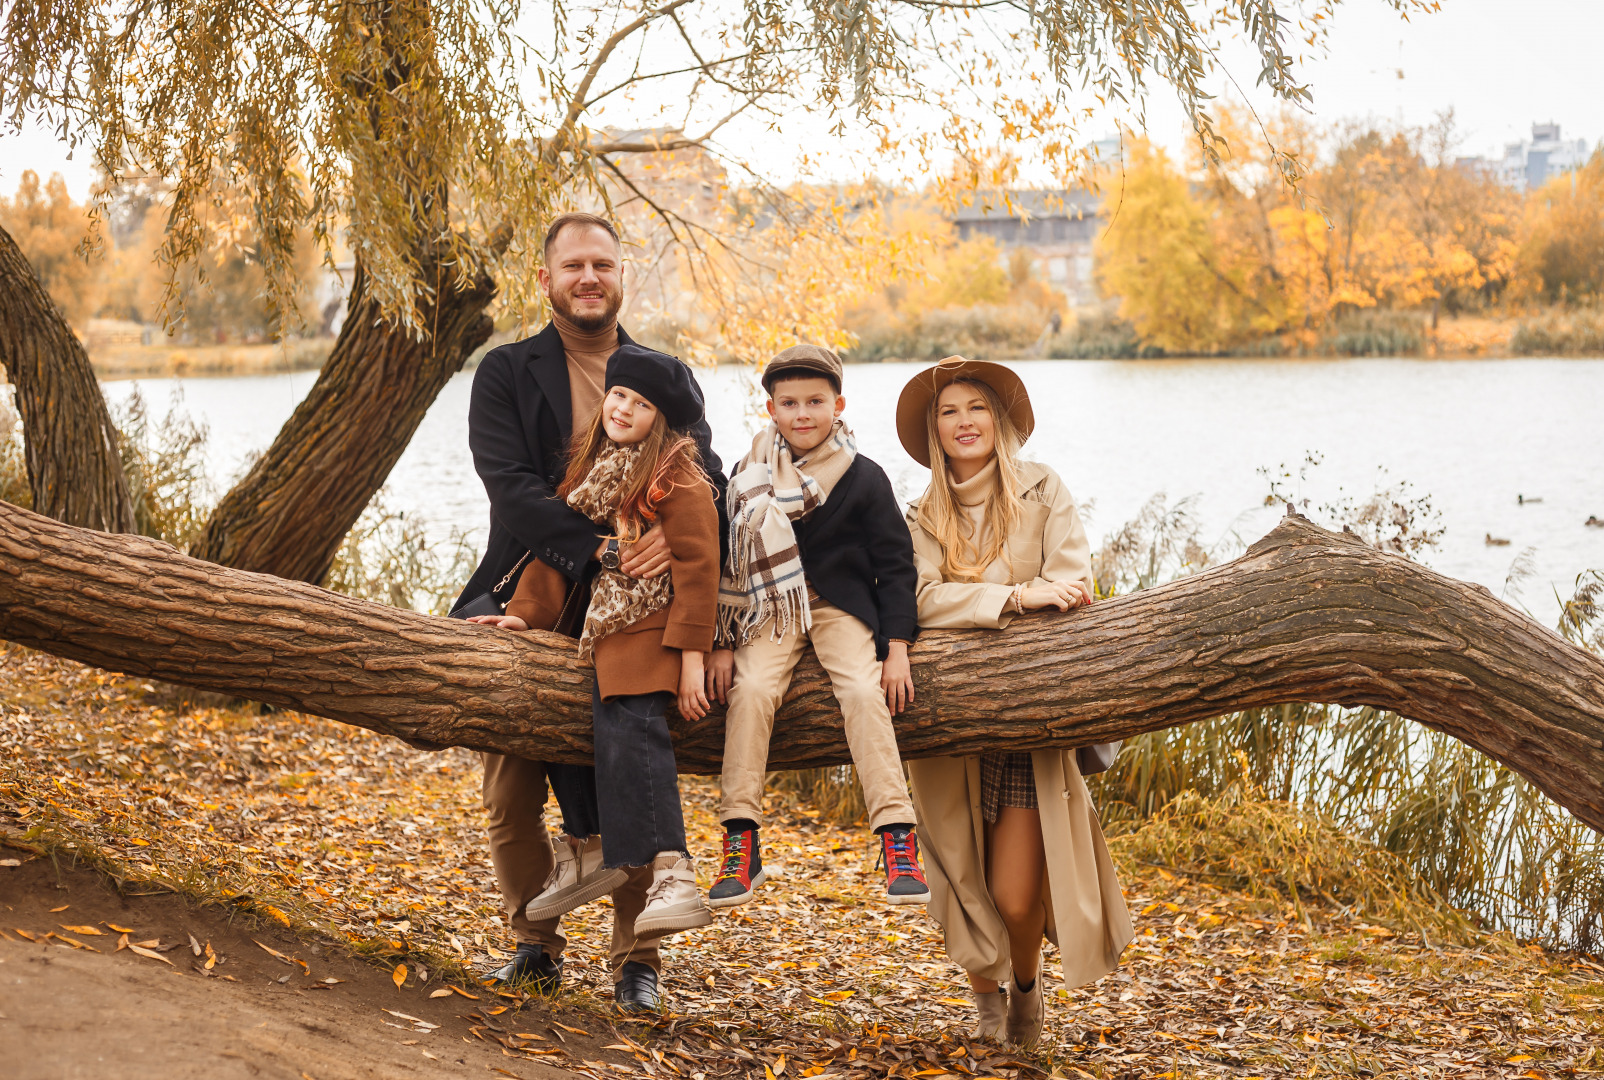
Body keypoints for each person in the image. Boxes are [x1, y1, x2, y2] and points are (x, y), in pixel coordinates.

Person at [454, 212, 724, 1011]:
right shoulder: (506, 372)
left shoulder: (663, 373)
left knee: (628, 772)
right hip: (530, 590)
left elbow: (700, 473)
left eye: (602, 264)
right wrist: (603, 548)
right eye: (573, 265)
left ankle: (637, 961)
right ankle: (534, 943)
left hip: (638, 610)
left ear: (619, 275)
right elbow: (513, 490)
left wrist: (670, 553)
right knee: (509, 793)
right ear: (546, 279)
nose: (588, 278)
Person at [896, 356, 1132, 1049]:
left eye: (976, 408)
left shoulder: (1043, 489)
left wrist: (1032, 598)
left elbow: (1072, 581)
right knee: (962, 880)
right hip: (948, 725)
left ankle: (1025, 989)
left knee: (1018, 893)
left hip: (1028, 721)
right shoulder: (919, 515)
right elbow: (918, 600)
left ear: (998, 421)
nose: (963, 422)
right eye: (948, 412)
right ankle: (984, 996)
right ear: (934, 432)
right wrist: (1013, 597)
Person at [472, 344, 720, 945]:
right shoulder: (592, 467)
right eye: (618, 395)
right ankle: (587, 843)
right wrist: (525, 619)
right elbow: (552, 560)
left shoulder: (675, 473)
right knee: (567, 725)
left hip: (649, 628)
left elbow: (698, 566)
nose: (624, 408)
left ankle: (673, 868)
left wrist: (693, 661)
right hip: (593, 631)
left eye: (640, 403)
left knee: (632, 731)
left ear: (660, 418)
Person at [704, 345, 929, 908]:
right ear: (771, 410)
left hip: (840, 608)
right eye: (790, 403)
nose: (802, 413)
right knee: (751, 690)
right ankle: (741, 839)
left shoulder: (864, 476)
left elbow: (896, 565)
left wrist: (896, 646)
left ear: (838, 404)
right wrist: (722, 641)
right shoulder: (749, 474)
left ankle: (898, 837)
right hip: (771, 608)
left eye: (814, 401)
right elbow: (729, 560)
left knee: (860, 688)